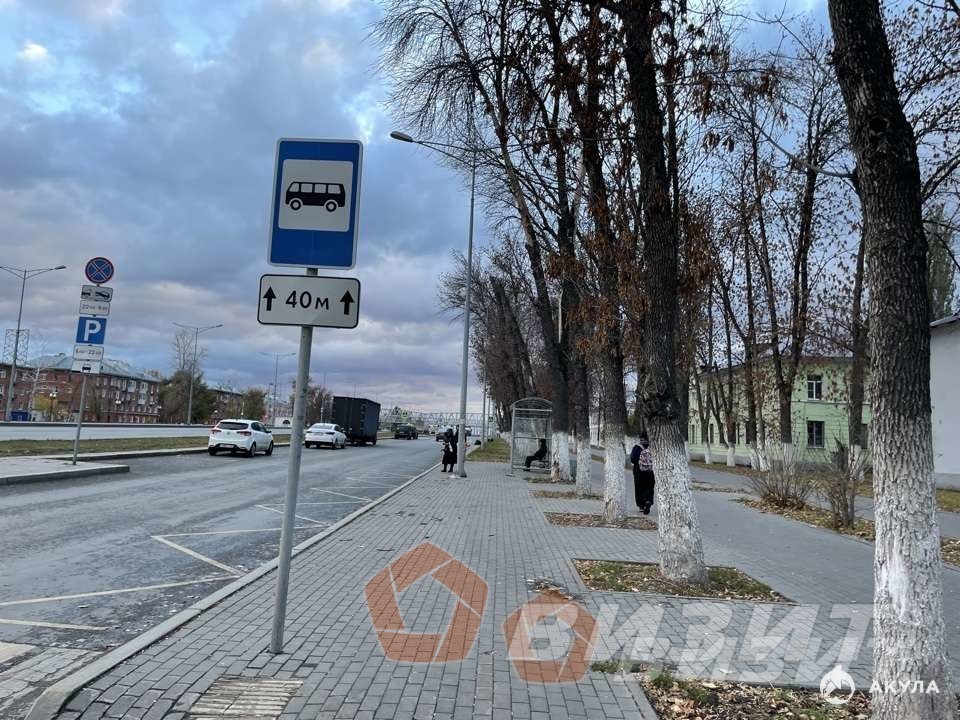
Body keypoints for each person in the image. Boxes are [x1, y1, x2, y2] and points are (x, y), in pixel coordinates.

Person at [630, 433, 655, 514]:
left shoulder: (636, 447)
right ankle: (648, 501)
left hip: (638, 471)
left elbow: (633, 459)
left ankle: (641, 505)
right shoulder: (653, 447)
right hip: (650, 471)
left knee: (639, 488)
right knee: (649, 487)